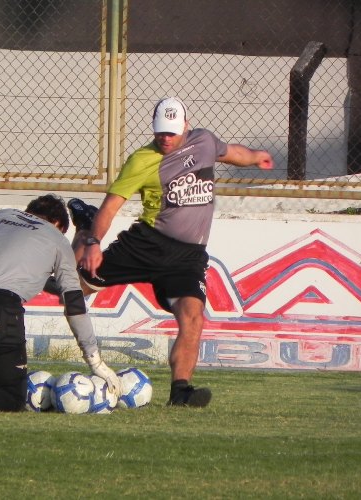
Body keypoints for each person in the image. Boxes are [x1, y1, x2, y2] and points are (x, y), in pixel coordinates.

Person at [69, 97, 274, 407]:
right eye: (160, 132)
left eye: (172, 133)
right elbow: (111, 206)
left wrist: (256, 156)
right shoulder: (142, 160)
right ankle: (82, 226)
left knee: (194, 317)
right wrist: (93, 241)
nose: (165, 138)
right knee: (73, 288)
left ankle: (180, 393)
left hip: (188, 257)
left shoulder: (204, 141)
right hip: (148, 244)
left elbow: (233, 152)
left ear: (186, 127)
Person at [0, 194, 121, 412]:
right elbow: (73, 303)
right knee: (11, 397)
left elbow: (30, 271)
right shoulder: (57, 239)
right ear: (58, 225)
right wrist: (94, 360)